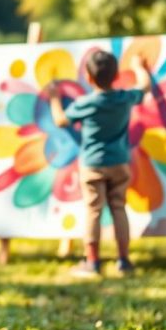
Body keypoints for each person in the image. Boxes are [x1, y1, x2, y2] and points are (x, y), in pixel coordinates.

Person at [48, 50, 151, 278]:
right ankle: (123, 260)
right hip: (120, 164)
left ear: (88, 76)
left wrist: (54, 97)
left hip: (92, 164)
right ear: (115, 75)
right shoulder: (124, 98)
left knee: (94, 210)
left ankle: (92, 262)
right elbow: (145, 87)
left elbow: (60, 120)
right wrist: (138, 66)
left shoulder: (86, 103)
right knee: (118, 208)